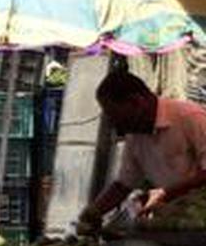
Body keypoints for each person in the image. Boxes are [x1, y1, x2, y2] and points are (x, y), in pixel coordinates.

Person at [78, 71, 206, 230]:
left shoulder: (191, 117)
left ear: (137, 101)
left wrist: (165, 193)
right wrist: (96, 210)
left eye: (118, 116)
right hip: (175, 219)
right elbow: (124, 183)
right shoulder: (134, 134)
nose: (117, 125)